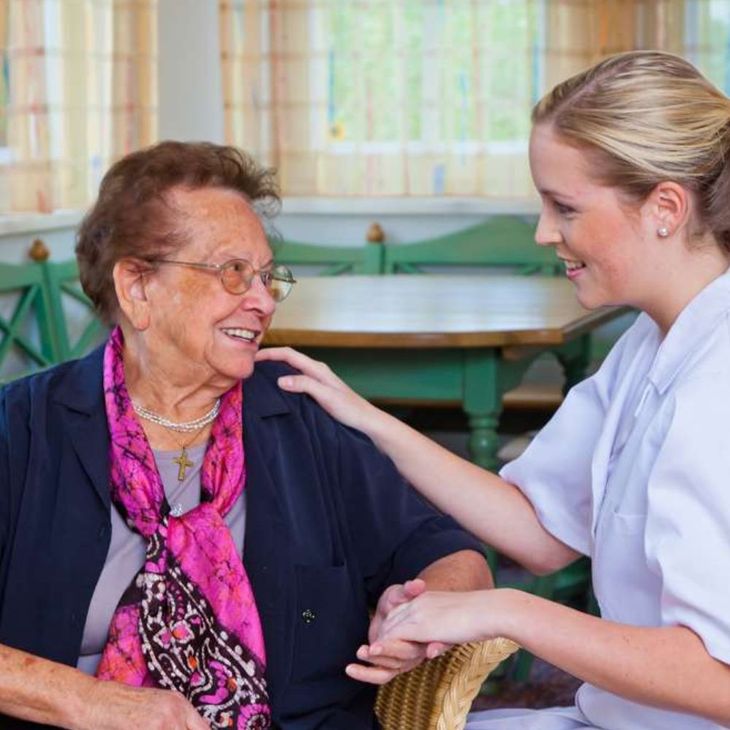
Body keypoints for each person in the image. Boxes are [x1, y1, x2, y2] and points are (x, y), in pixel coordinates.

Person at [257, 50, 730, 729]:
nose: (544, 232)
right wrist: (364, 417)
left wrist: (504, 608)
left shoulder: (718, 386)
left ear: (664, 207)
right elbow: (539, 529)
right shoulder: (650, 345)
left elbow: (719, 679)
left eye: (564, 206)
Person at [0, 141, 491, 730]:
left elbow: (452, 554)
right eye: (233, 273)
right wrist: (84, 700)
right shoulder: (24, 430)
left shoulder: (298, 413)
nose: (261, 302)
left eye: (266, 277)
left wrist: (419, 609)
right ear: (136, 287)